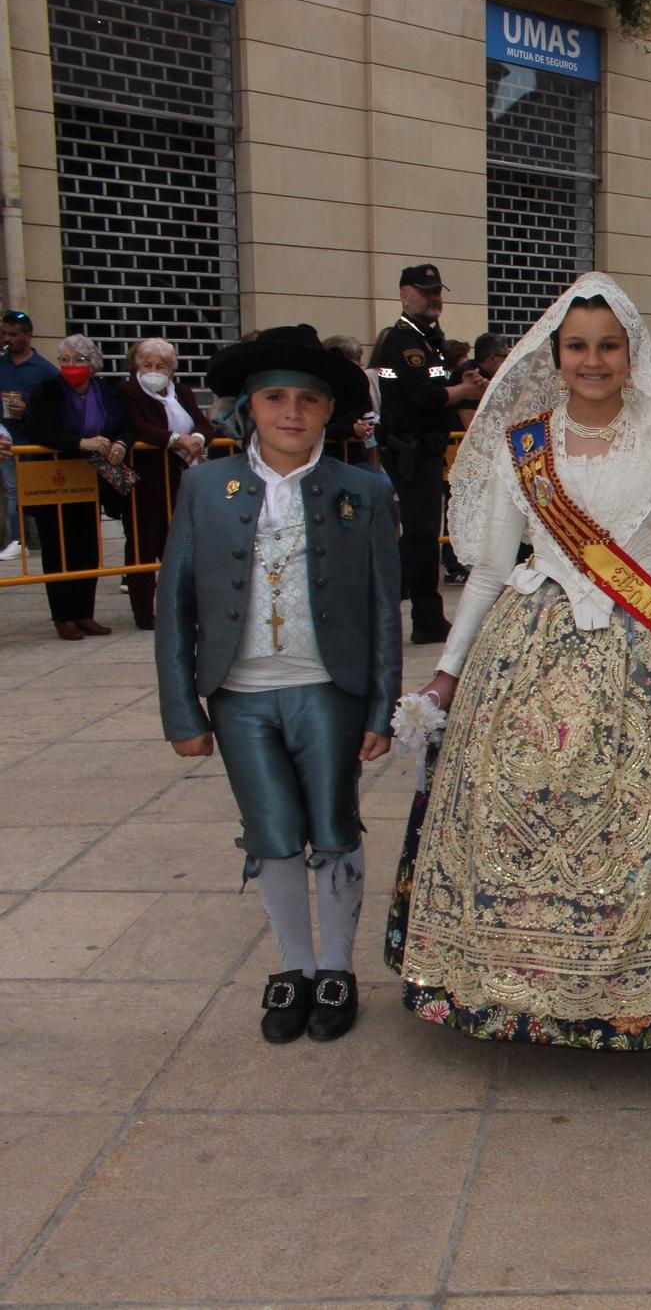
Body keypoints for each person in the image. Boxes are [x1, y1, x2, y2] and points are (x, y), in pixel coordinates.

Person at [389, 273, 651, 1048]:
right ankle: (518, 984)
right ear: (556, 353)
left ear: (632, 350)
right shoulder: (525, 443)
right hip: (529, 644)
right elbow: (487, 567)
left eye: (608, 344)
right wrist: (448, 669)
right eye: (577, 345)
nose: (593, 359)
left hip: (647, 646)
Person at [156, 326, 399, 1043]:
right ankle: (293, 964)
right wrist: (181, 709)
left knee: (332, 823)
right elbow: (175, 605)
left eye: (308, 399)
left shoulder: (365, 489)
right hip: (238, 691)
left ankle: (335, 966)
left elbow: (385, 608)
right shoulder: (206, 486)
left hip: (328, 686)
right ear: (249, 408)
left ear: (329, 410)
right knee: (269, 832)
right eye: (274, 398)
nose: (290, 412)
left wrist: (381, 704)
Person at [371, 263, 488, 644]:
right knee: (420, 537)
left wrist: (461, 382)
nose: (434, 298)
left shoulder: (427, 338)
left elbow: (434, 386)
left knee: (423, 535)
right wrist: (462, 393)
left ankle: (426, 613)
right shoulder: (404, 341)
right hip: (410, 449)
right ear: (405, 295)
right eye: (425, 292)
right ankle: (424, 617)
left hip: (424, 449)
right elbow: (422, 396)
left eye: (437, 291)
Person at [12, 335, 133, 640]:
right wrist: (79, 443)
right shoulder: (48, 391)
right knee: (58, 548)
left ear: (91, 364)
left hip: (91, 479)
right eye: (64, 359)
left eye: (77, 360)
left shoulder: (106, 390)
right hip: (57, 475)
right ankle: (63, 616)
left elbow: (124, 424)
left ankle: (85, 613)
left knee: (86, 546)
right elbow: (37, 428)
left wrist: (121, 442)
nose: (70, 366)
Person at [119, 338, 216, 630]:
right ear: (136, 365)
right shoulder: (127, 392)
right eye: (147, 364)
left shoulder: (182, 393)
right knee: (142, 544)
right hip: (145, 480)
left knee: (181, 544)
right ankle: (143, 611)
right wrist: (175, 440)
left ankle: (184, 603)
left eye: (160, 365)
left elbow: (203, 423)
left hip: (180, 478)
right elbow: (139, 427)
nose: (153, 370)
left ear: (171, 369)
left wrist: (197, 439)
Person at [0, 309, 60, 561]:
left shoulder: (45, 370)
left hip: (32, 441)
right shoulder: (1, 364)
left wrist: (27, 409)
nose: (7, 338)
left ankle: (39, 537)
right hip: (5, 438)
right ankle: (17, 539)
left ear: (28, 336)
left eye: (13, 334)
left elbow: (56, 409)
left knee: (37, 491)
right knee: (12, 489)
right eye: (4, 333)